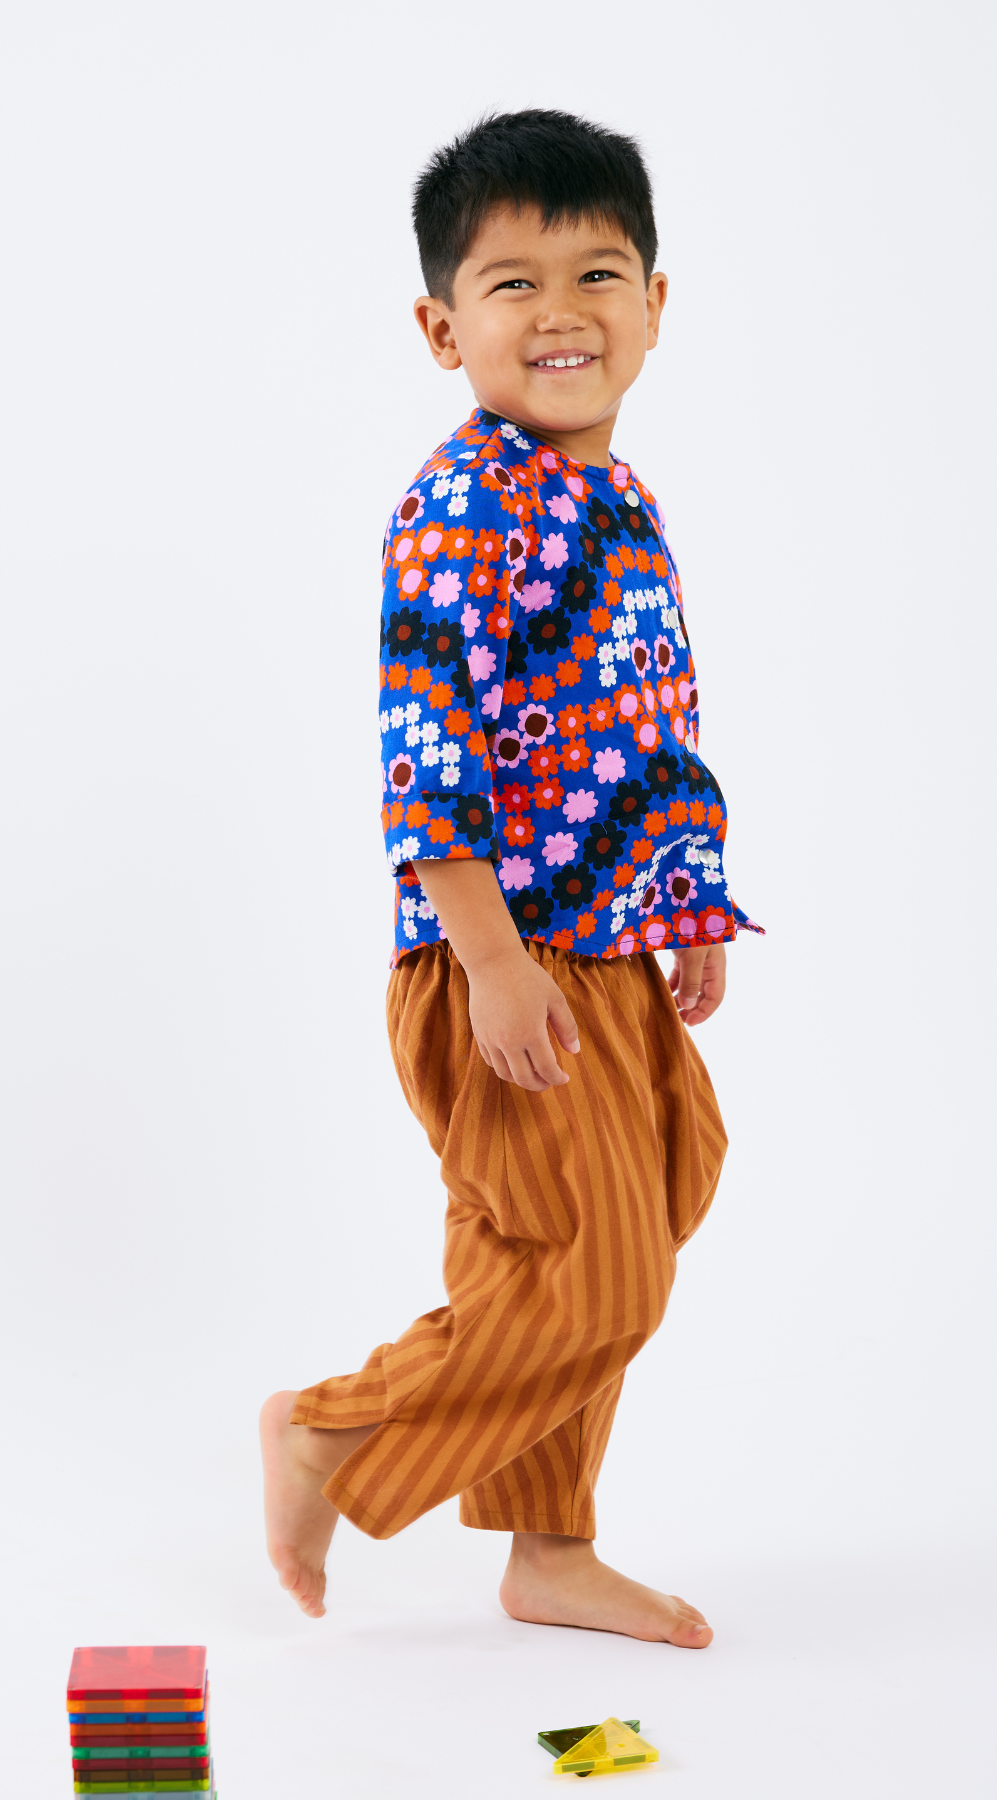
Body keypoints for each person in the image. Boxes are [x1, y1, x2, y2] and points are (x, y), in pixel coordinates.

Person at [260, 109, 760, 1649]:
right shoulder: (469, 505)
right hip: (506, 959)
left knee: (644, 1202)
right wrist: (486, 957)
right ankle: (338, 1432)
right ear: (441, 326)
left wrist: (689, 897)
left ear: (656, 310)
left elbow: (651, 724)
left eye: (598, 273)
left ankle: (549, 1549)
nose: (560, 314)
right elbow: (435, 756)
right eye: (511, 284)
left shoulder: (623, 506)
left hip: (611, 952)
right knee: (594, 1265)